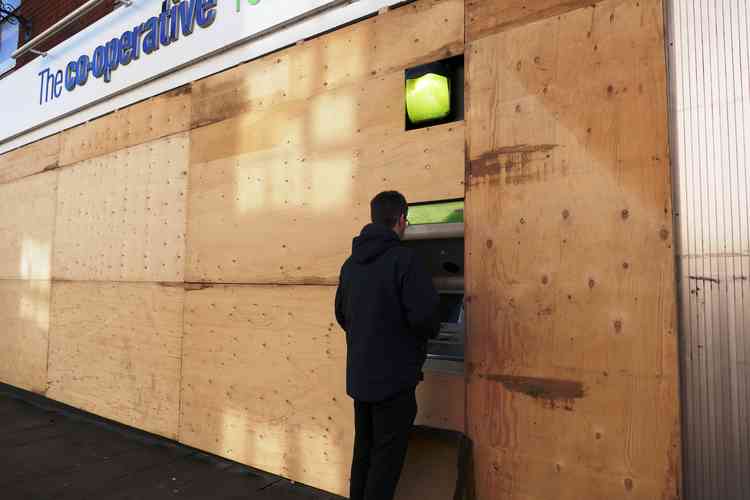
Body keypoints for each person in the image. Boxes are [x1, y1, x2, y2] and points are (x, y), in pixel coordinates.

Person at [335, 191, 441, 500]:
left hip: (361, 378)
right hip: (394, 383)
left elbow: (343, 314)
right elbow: (426, 318)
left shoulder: (350, 264)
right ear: (401, 220)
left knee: (364, 453)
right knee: (386, 462)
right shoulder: (405, 260)